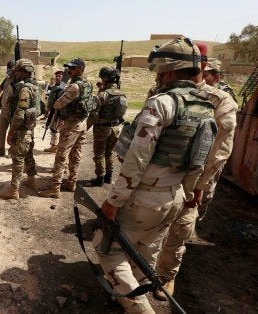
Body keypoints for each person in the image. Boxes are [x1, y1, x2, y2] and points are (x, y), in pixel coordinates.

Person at [93, 37, 214, 313]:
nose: (158, 78)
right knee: (145, 251)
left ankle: (139, 308)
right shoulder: (204, 106)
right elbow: (200, 157)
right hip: (175, 197)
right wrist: (194, 191)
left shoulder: (162, 103)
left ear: (169, 72)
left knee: (106, 246)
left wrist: (113, 201)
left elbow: (137, 157)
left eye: (160, 72)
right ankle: (130, 296)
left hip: (144, 197)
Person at [154, 47, 238, 301]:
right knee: (153, 221)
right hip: (164, 171)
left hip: (196, 178)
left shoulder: (221, 100)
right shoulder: (166, 91)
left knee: (180, 227)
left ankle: (166, 275)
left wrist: (198, 186)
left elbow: (220, 149)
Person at [39, 58, 92, 198]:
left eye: (73, 68)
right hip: (82, 124)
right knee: (76, 155)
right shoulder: (88, 84)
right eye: (69, 68)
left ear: (80, 68)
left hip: (70, 126)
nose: (70, 70)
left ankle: (55, 188)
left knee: (61, 157)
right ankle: (71, 183)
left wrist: (59, 94)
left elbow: (58, 105)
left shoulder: (74, 87)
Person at [0, 59, 39, 199]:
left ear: (24, 72)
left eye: (17, 70)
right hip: (29, 129)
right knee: (28, 155)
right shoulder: (34, 86)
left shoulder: (25, 89)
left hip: (21, 130)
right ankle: (31, 181)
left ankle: (14, 191)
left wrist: (12, 131)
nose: (15, 73)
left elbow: (20, 112)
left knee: (18, 159)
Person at [89, 67, 127, 186]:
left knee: (99, 154)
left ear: (104, 79)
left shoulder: (103, 94)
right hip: (116, 128)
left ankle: (99, 178)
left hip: (102, 128)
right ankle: (108, 177)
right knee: (109, 153)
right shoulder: (122, 94)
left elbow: (93, 111)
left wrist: (90, 125)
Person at [0, 60, 15, 157]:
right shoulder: (7, 79)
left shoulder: (18, 81)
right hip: (4, 110)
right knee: (1, 130)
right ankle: (1, 149)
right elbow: (0, 88)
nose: (9, 70)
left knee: (12, 132)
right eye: (8, 68)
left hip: (12, 111)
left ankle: (11, 150)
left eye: (11, 68)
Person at [43, 69, 64, 153]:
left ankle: (54, 146)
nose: (58, 77)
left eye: (60, 76)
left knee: (54, 128)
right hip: (53, 109)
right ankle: (55, 145)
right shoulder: (56, 86)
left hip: (57, 110)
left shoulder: (61, 87)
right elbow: (51, 98)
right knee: (53, 127)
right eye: (57, 76)